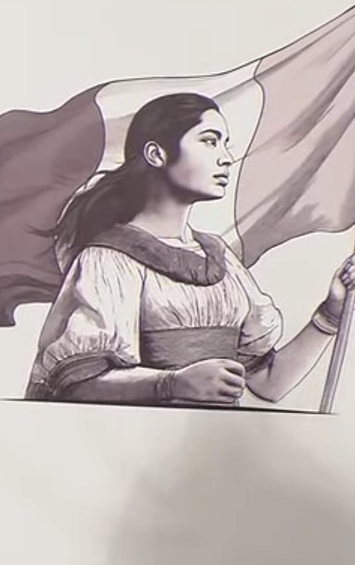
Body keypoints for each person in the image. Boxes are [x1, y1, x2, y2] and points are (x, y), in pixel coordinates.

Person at [26, 91, 355, 405]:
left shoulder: (221, 259)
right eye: (209, 142)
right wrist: (172, 384)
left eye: (226, 145)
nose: (226, 158)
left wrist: (331, 312)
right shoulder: (109, 259)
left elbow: (268, 383)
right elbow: (75, 385)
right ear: (157, 154)